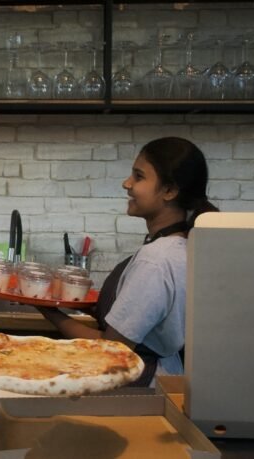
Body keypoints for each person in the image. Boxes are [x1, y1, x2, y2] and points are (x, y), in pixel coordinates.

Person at [37, 137, 219, 386]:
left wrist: (48, 311)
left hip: (140, 388)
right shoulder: (180, 247)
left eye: (139, 176)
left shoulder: (157, 260)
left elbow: (111, 348)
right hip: (160, 382)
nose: (127, 183)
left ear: (169, 190)